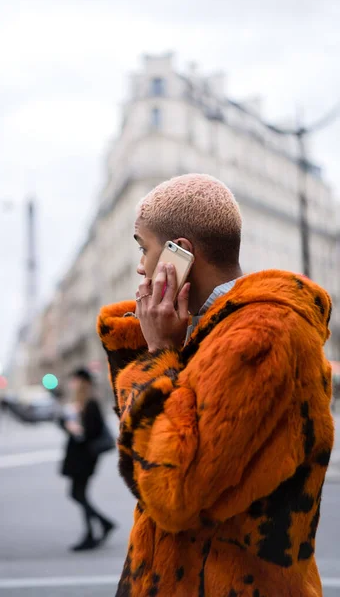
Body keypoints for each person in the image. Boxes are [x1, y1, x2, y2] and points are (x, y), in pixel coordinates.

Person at [97, 173, 334, 596]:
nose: (139, 264)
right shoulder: (206, 331)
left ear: (179, 253)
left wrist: (155, 357)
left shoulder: (262, 333)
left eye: (142, 246)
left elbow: (172, 494)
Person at [60, 367, 116, 551]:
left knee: (78, 494)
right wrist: (66, 424)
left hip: (85, 457)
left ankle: (95, 531)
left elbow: (93, 431)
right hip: (79, 456)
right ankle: (99, 527)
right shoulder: (79, 403)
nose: (72, 384)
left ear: (82, 383)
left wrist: (75, 429)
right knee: (78, 494)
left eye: (75, 381)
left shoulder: (90, 403)